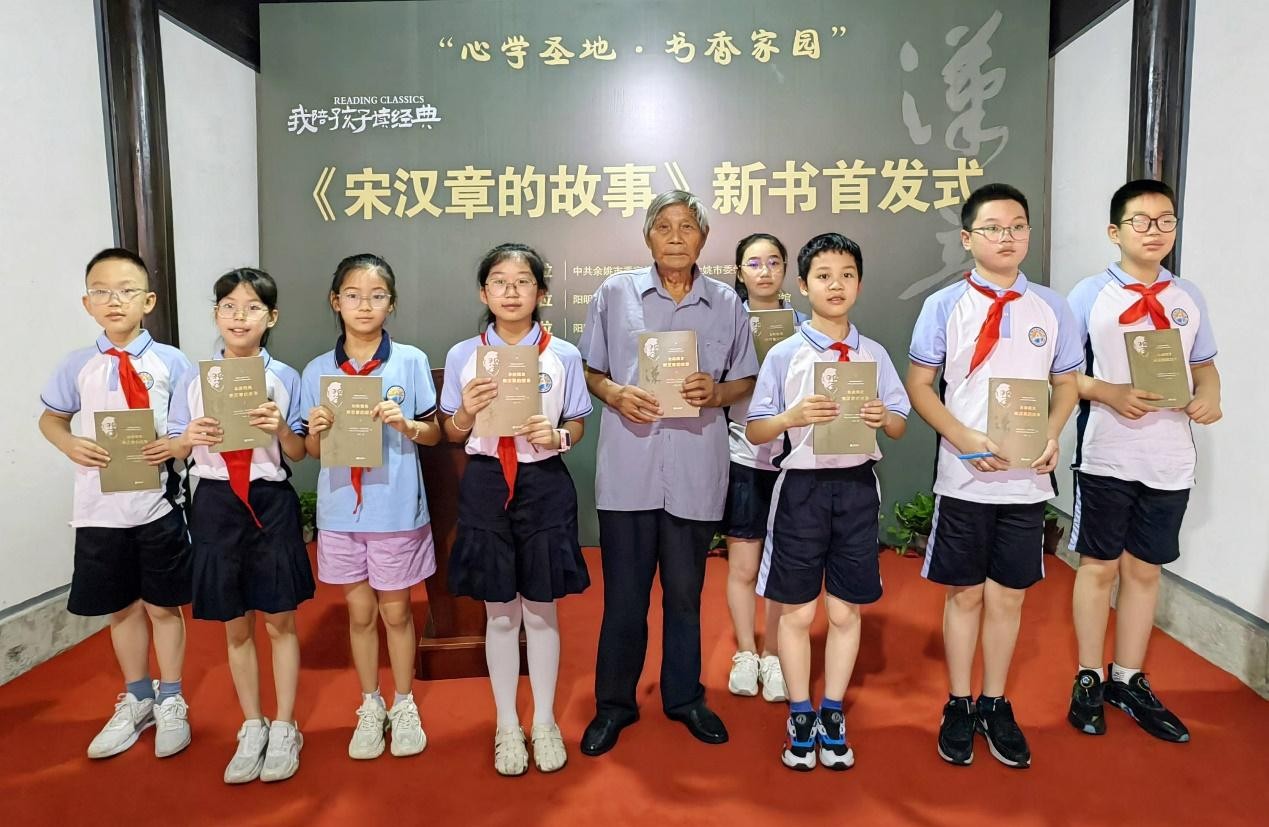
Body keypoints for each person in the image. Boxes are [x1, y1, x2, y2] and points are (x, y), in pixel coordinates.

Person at [906, 184, 1082, 769]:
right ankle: (958, 701)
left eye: (1017, 226)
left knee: (1008, 598)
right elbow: (919, 387)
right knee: (965, 595)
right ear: (967, 238)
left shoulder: (1052, 308)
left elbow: (1066, 384)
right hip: (965, 478)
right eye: (993, 228)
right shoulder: (943, 306)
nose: (1007, 237)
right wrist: (961, 437)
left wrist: (1053, 434)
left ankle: (995, 701)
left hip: (1026, 481)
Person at [577, 190, 759, 756]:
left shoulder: (727, 303)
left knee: (685, 595)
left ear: (704, 238)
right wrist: (614, 393)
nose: (676, 236)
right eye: (664, 226)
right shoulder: (614, 294)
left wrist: (717, 392)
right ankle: (614, 705)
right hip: (629, 470)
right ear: (647, 237)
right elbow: (590, 369)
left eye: (687, 226)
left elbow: (747, 380)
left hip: (696, 469)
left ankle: (684, 698)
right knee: (624, 600)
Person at [1064, 179, 1220, 742]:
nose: (1155, 231)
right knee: (1098, 567)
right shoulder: (1089, 295)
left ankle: (1128, 678)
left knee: (1145, 570)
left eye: (1166, 220)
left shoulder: (1187, 296)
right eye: (1141, 221)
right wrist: (1106, 392)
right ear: (1115, 231)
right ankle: (1088, 676)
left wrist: (1211, 397)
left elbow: (1204, 366)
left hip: (1168, 458)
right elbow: (1061, 376)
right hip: (1106, 455)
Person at [746, 233, 910, 770]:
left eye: (846, 275)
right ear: (803, 285)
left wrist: (883, 416)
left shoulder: (874, 354)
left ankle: (832, 709)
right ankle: (800, 710)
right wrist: (792, 417)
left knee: (844, 609)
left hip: (858, 488)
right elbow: (756, 429)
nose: (835, 285)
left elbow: (900, 424)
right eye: (823, 276)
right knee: (797, 610)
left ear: (859, 283)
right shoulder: (785, 354)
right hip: (802, 490)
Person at [440, 243, 592, 775]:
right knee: (500, 611)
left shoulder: (562, 354)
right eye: (499, 282)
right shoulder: (463, 355)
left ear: (540, 292)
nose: (511, 291)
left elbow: (577, 422)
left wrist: (559, 436)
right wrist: (465, 411)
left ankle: (544, 721)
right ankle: (507, 724)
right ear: (483, 293)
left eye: (523, 281)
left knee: (541, 608)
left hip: (544, 482)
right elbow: (449, 431)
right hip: (486, 481)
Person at [38, 248, 193, 760]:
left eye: (127, 290)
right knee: (121, 608)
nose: (114, 300)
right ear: (87, 303)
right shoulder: (76, 364)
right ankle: (138, 696)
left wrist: (175, 445)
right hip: (98, 510)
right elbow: (51, 419)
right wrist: (68, 443)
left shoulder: (172, 362)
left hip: (158, 505)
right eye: (101, 291)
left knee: (163, 605)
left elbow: (189, 431)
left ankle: (172, 697)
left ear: (148, 301)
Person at [169, 267, 315, 783]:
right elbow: (175, 447)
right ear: (216, 314)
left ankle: (285, 724)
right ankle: (252, 723)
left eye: (252, 307)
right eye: (228, 306)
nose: (239, 317)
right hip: (214, 501)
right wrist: (188, 438)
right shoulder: (194, 378)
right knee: (236, 623)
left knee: (279, 620)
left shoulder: (286, 377)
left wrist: (280, 427)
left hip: (269, 500)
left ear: (271, 317)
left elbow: (299, 451)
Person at [300, 253, 442, 760]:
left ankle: (403, 702)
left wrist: (407, 424)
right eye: (353, 295)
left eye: (377, 296)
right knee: (359, 614)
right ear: (335, 302)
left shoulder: (410, 361)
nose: (365, 305)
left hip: (395, 509)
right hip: (342, 512)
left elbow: (434, 433)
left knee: (396, 611)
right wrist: (316, 431)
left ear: (391, 304)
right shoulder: (318, 370)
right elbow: (311, 451)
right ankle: (370, 702)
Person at [724, 232, 805, 702]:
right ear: (740, 272)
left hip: (794, 458)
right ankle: (745, 651)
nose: (765, 271)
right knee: (743, 564)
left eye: (774, 262)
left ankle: (773, 654)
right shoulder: (726, 325)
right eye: (754, 263)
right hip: (742, 454)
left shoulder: (804, 326)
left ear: (786, 271)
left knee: (782, 564)